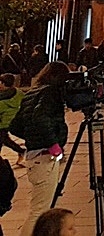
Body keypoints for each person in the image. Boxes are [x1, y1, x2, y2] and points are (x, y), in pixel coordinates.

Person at [10, 63, 69, 236]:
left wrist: (32, 138)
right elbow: (40, 118)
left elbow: (15, 126)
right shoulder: (50, 93)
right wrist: (53, 144)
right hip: (44, 157)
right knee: (40, 211)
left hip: (34, 156)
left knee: (40, 209)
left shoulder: (34, 92)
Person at [0, 74, 25, 167]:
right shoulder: (18, 93)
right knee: (5, 140)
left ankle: (21, 151)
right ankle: (21, 151)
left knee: (3, 140)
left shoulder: (2, 99)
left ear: (3, 83)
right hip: (12, 121)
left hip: (3, 123)